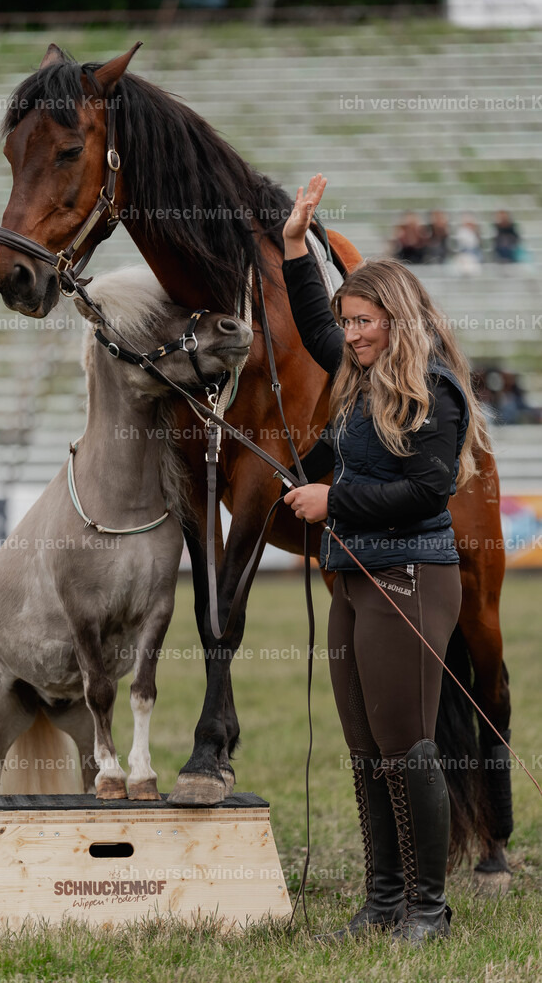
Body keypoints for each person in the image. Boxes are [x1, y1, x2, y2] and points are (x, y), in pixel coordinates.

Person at [280, 175, 492, 946]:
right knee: (366, 749)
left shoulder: (432, 390)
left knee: (408, 746)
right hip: (353, 579)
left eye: (363, 321)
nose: (352, 334)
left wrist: (330, 501)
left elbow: (424, 490)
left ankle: (427, 912)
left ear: (394, 319)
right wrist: (295, 244)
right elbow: (311, 322)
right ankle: (381, 902)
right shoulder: (361, 373)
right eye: (348, 322)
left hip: (409, 575)